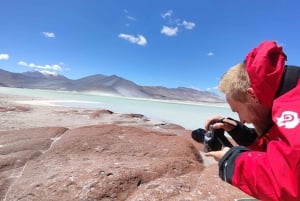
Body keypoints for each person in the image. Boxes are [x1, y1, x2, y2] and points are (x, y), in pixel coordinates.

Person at [201, 41, 300, 201]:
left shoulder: (293, 106)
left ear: (252, 96)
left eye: (238, 111)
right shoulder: (285, 98)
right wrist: (244, 134)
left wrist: (232, 161)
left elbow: (290, 185)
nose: (242, 119)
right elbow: (286, 150)